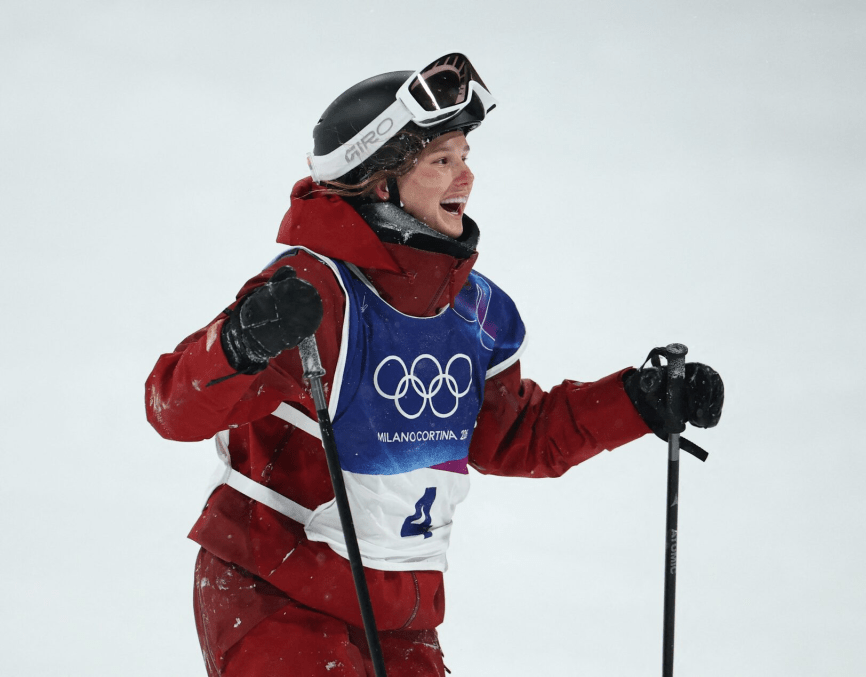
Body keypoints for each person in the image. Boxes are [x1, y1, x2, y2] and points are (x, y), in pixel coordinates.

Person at [145, 53, 724, 677]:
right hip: (276, 592)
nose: (465, 178)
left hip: (401, 609)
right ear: (379, 181)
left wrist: (639, 401)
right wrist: (239, 342)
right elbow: (173, 407)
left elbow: (513, 436)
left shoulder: (476, 309)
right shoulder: (316, 291)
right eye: (440, 161)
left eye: (465, 156)